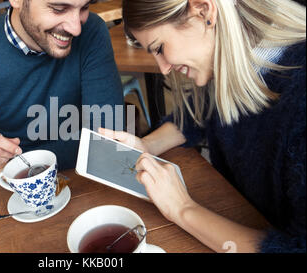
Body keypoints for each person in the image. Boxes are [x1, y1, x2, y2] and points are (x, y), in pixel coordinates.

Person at [100, 0, 305, 252]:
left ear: (204, 11)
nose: (163, 69)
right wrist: (146, 144)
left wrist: (182, 208)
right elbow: (202, 113)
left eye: (160, 47)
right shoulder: (236, 64)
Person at [0, 0, 124, 182]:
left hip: (83, 175)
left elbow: (108, 136)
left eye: (84, 7)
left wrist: (19, 165)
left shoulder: (92, 30)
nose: (76, 28)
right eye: (59, 9)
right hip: (18, 188)